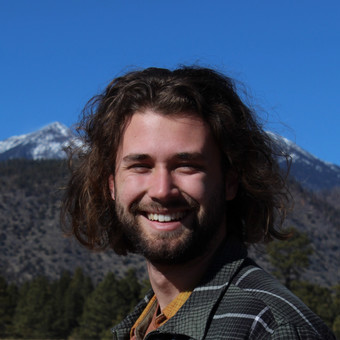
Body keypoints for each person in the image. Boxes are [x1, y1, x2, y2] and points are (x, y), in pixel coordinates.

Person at [62, 66, 335, 339]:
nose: (161, 190)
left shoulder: (273, 330)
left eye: (186, 166)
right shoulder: (141, 326)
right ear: (111, 185)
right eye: (140, 166)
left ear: (230, 181)